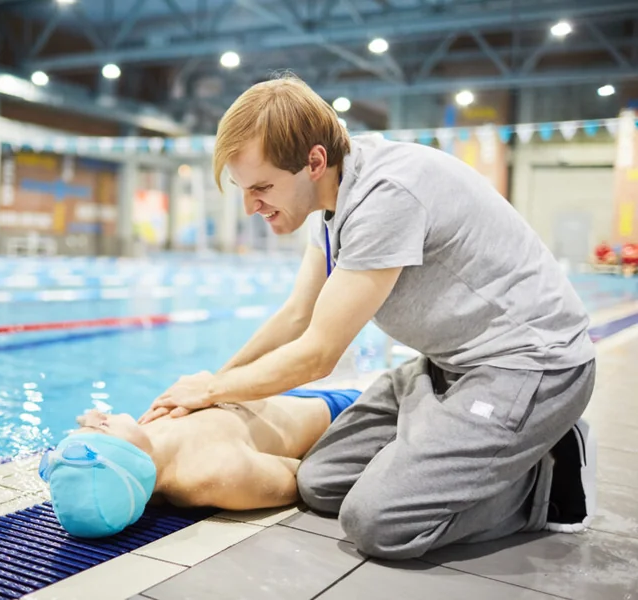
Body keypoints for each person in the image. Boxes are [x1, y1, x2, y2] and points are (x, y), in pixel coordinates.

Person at [138, 74, 597, 561]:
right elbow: (297, 315)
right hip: (446, 366)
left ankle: (548, 476)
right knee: (319, 482)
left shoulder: (386, 197)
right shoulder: (333, 202)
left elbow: (317, 354)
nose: (252, 206)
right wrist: (214, 383)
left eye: (263, 187)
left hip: (531, 368)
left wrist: (211, 392)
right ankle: (445, 436)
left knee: (378, 522)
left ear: (314, 161)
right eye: (244, 189)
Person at [39, 388, 360, 538]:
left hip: (268, 389)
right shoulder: (215, 474)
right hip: (329, 408)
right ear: (133, 461)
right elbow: (303, 475)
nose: (93, 414)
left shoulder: (143, 444)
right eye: (99, 426)